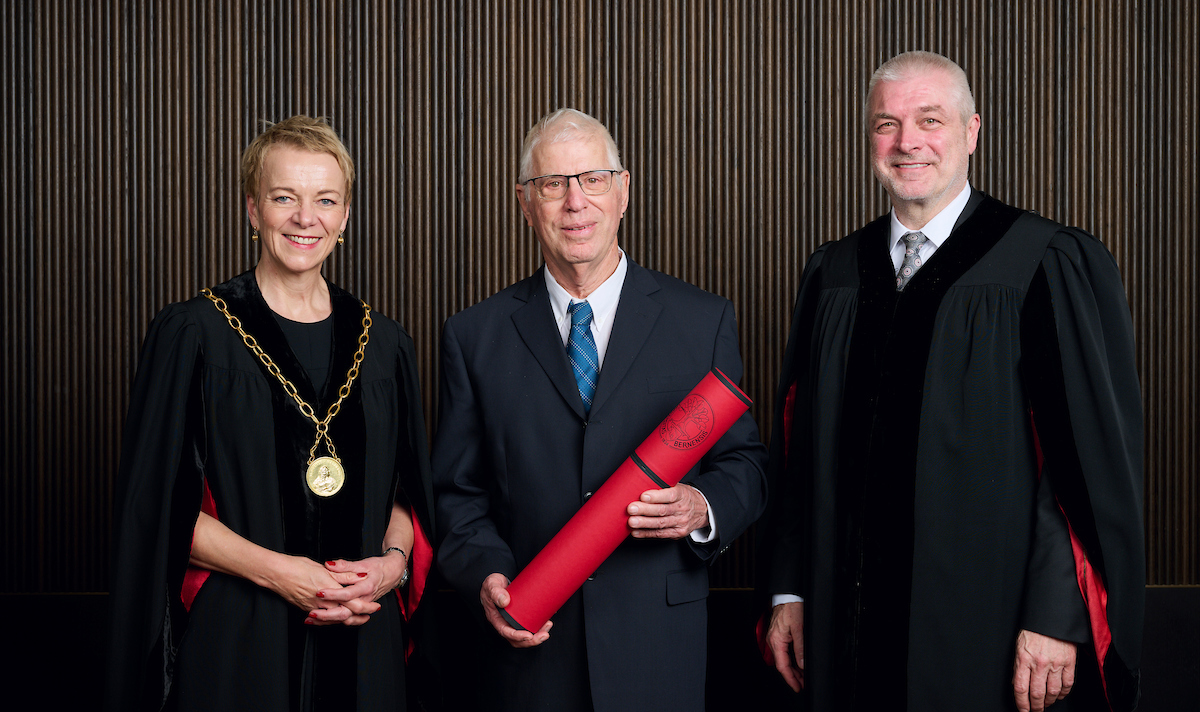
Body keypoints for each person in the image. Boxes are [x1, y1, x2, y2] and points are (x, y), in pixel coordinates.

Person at [760, 52, 1144, 712]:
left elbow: (1086, 460)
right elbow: (801, 452)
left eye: (929, 120)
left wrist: (1056, 612)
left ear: (971, 131)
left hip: (987, 629)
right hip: (840, 625)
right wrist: (788, 588)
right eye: (888, 123)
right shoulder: (833, 275)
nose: (907, 142)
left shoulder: (1044, 263)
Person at [432, 108, 768, 711]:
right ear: (524, 202)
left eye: (592, 179)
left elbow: (747, 466)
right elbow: (458, 493)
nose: (574, 202)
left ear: (623, 190)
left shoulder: (701, 321)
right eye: (552, 184)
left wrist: (702, 506)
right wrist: (487, 576)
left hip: (657, 651)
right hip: (527, 654)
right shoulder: (473, 336)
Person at [105, 117, 435, 711]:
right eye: (285, 197)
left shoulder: (383, 344)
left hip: (365, 639)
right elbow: (158, 510)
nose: (305, 218)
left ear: (345, 215)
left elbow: (405, 493)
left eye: (325, 200)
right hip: (240, 641)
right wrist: (281, 574)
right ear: (254, 209)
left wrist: (391, 567)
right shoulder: (195, 334)